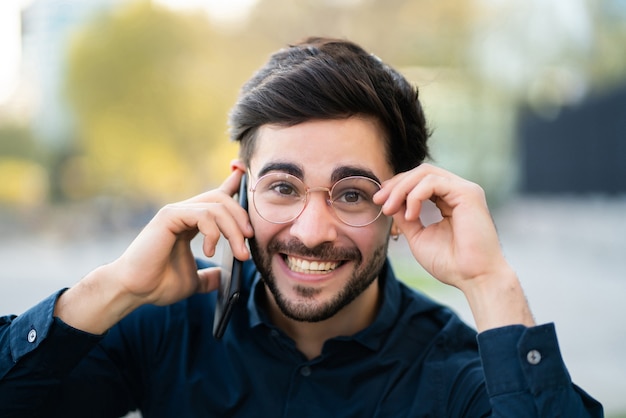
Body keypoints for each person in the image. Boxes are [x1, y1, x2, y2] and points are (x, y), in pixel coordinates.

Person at [0, 37, 602, 417]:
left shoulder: (463, 380)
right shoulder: (160, 331)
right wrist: (112, 290)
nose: (312, 230)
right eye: (283, 188)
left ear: (402, 205)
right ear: (238, 187)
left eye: (351, 193)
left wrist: (491, 284)